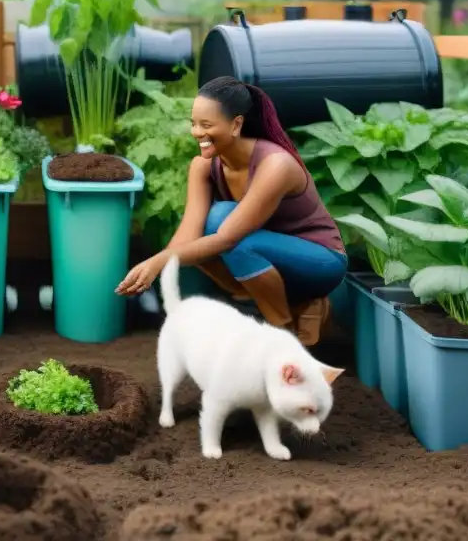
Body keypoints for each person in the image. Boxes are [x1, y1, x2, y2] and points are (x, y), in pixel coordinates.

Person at [116, 76, 347, 346]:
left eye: (206, 125)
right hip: (267, 258)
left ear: (236, 124)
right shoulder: (204, 167)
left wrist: (157, 263)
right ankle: (298, 307)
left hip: (321, 261)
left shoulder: (275, 165)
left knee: (232, 237)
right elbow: (188, 237)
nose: (197, 133)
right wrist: (155, 266)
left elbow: (228, 239)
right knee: (206, 233)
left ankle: (282, 338)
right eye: (193, 124)